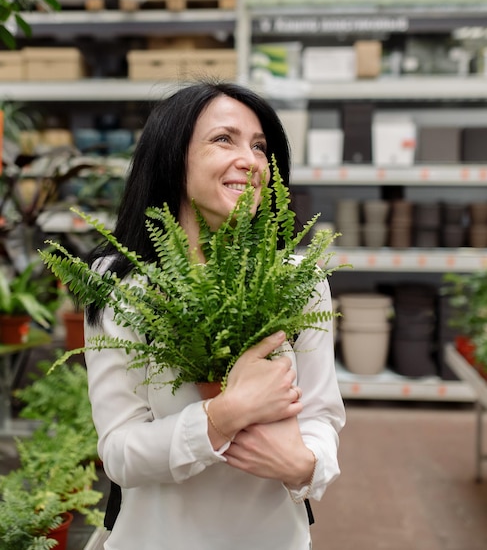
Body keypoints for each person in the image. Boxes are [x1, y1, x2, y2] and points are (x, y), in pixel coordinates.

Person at [84, 80, 346, 550]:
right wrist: (223, 416)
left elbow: (321, 416)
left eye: (260, 146)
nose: (250, 160)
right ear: (172, 156)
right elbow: (120, 451)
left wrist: (306, 467)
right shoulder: (124, 284)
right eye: (224, 139)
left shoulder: (297, 279)